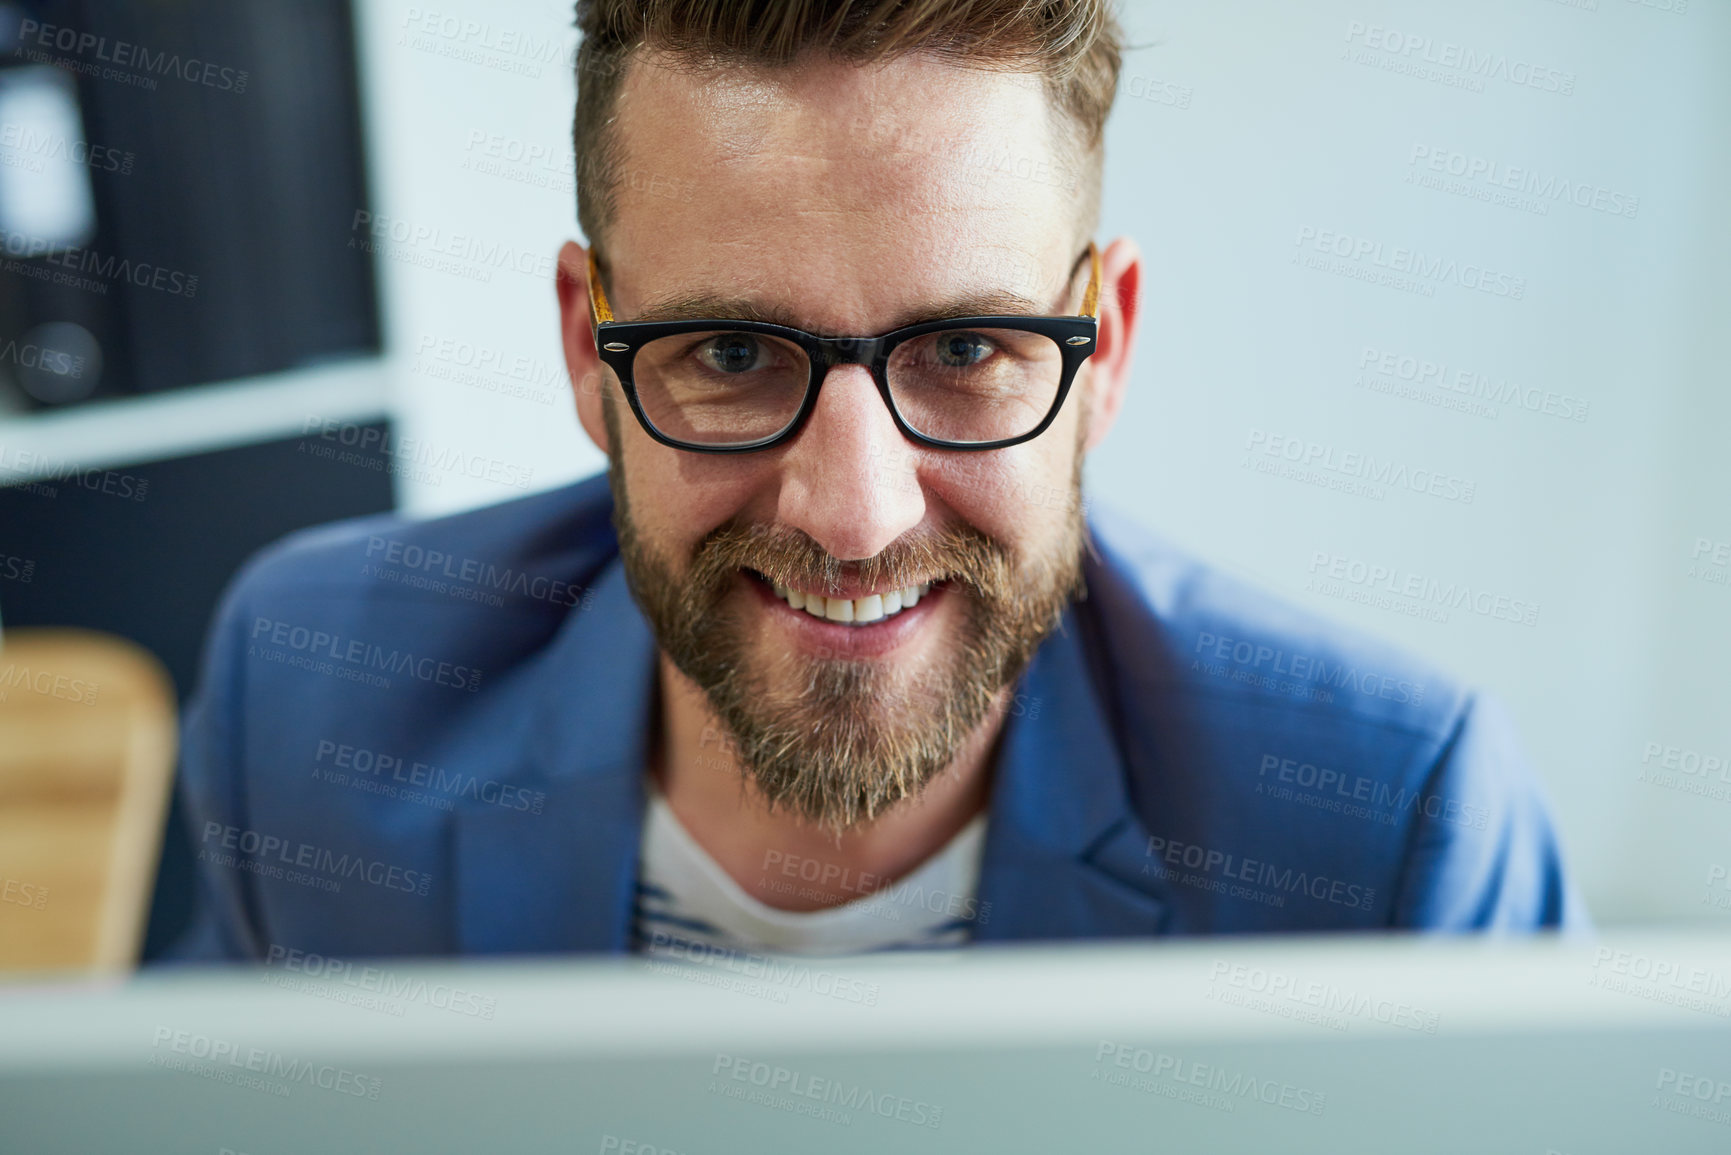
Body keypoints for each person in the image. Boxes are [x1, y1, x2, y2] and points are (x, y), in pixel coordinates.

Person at [166, 0, 1586, 965]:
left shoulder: (1398, 834)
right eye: (730, 350)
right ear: (588, 350)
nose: (855, 513)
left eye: (969, 347)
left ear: (1105, 352)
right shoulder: (307, 699)